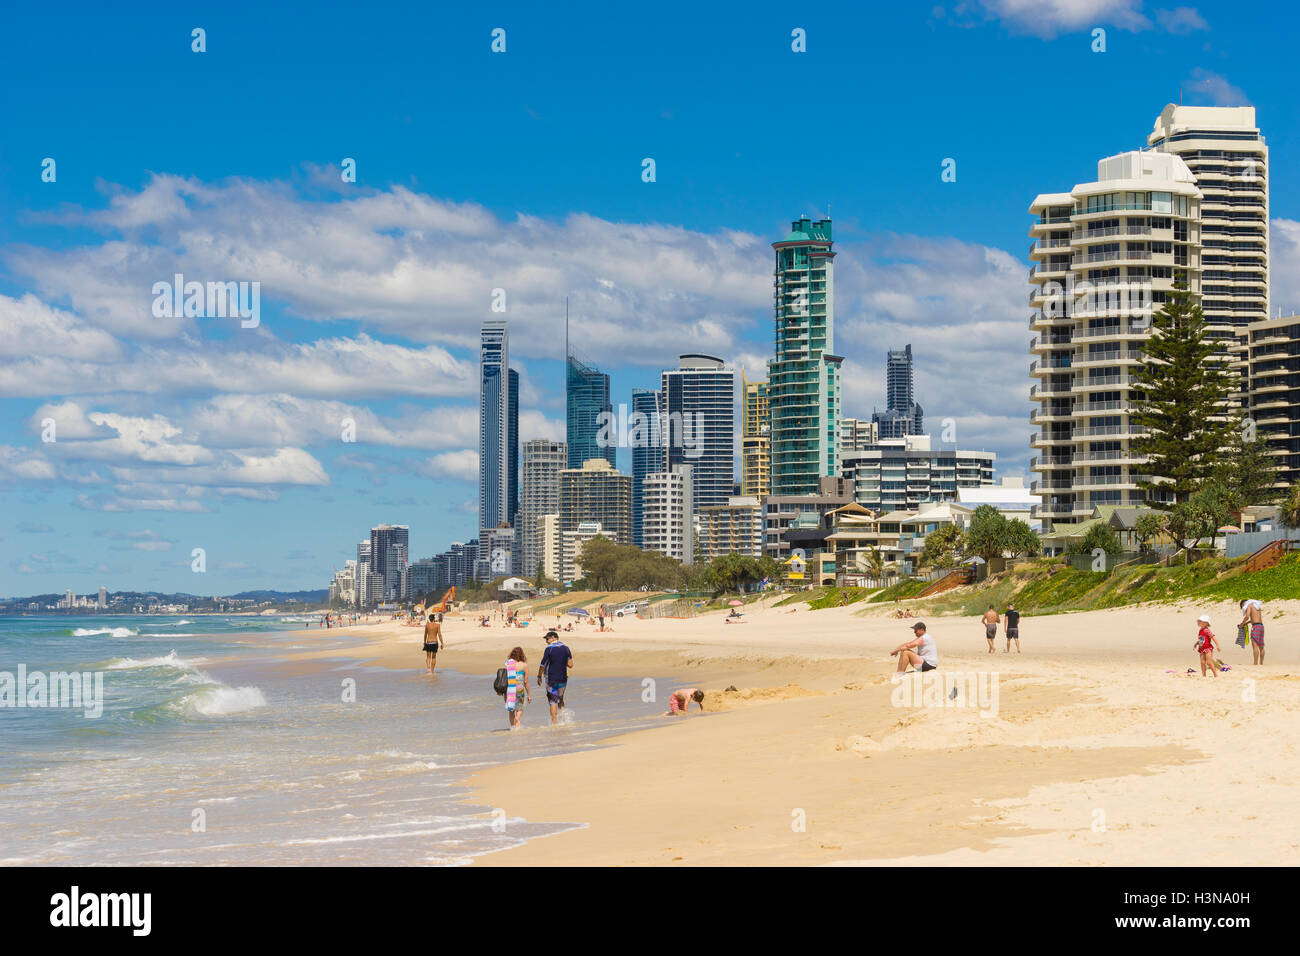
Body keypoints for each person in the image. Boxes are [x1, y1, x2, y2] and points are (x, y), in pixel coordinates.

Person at [538, 629, 573, 725]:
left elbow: (542, 665)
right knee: (561, 699)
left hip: (551, 679)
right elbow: (571, 665)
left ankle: (555, 724)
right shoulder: (566, 648)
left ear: (554, 638)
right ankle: (564, 721)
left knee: (553, 701)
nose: (546, 641)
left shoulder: (549, 648)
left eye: (547, 639)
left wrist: (539, 676)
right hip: (563, 678)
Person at [504, 646, 530, 729]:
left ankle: (513, 728)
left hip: (510, 689)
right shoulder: (524, 665)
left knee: (511, 709)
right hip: (520, 689)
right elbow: (526, 681)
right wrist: (529, 694)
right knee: (520, 707)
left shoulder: (508, 664)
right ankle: (517, 718)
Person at [1238, 598, 1265, 665]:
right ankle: (1261, 663)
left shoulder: (1249, 606)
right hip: (1261, 626)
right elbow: (1255, 618)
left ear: (1243, 604)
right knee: (1261, 646)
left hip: (1255, 627)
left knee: (1255, 645)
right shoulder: (1256, 605)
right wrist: (1247, 623)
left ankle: (1255, 663)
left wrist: (1242, 624)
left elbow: (1247, 616)